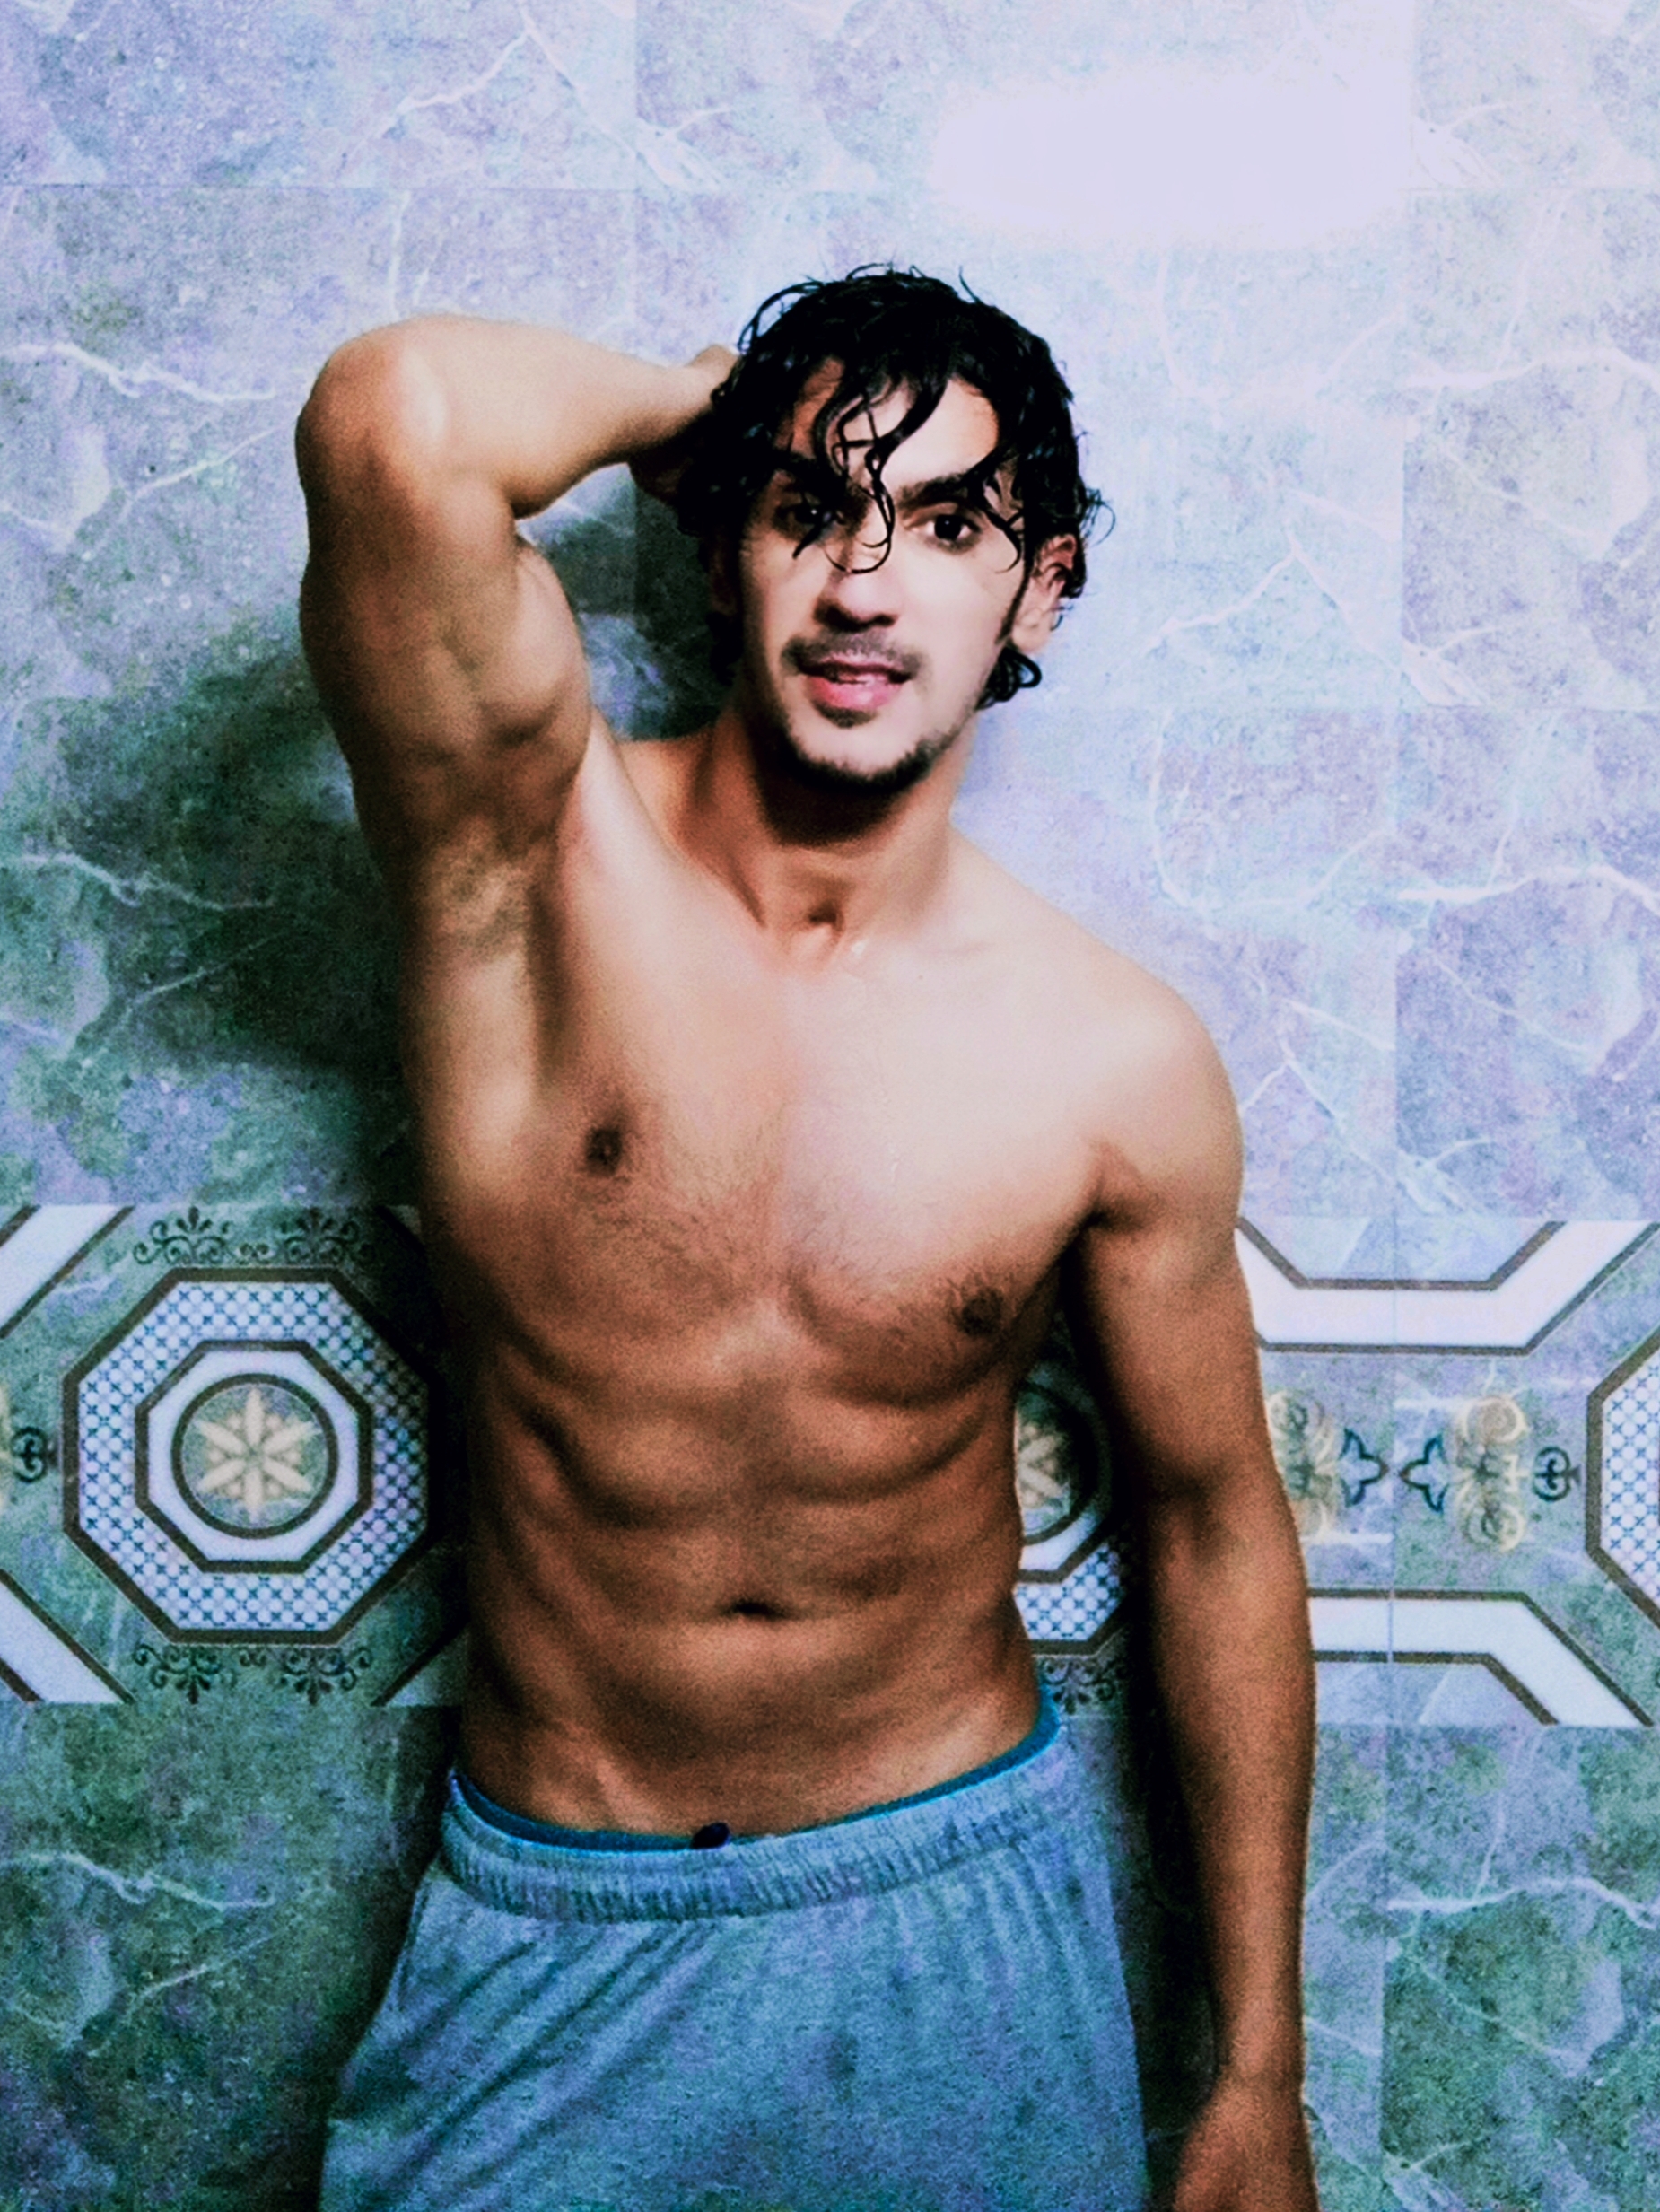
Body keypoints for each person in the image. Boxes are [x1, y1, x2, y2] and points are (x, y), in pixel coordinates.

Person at [297, 267, 1319, 2212]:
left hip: (955, 1917)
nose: (865, 584)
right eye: (809, 510)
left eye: (945, 526)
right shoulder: (524, 860)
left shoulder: (1111, 1059)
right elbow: (392, 421)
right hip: (561, 1922)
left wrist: (1256, 2070)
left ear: (1041, 591)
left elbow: (1214, 1525)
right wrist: (703, 402)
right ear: (720, 544)